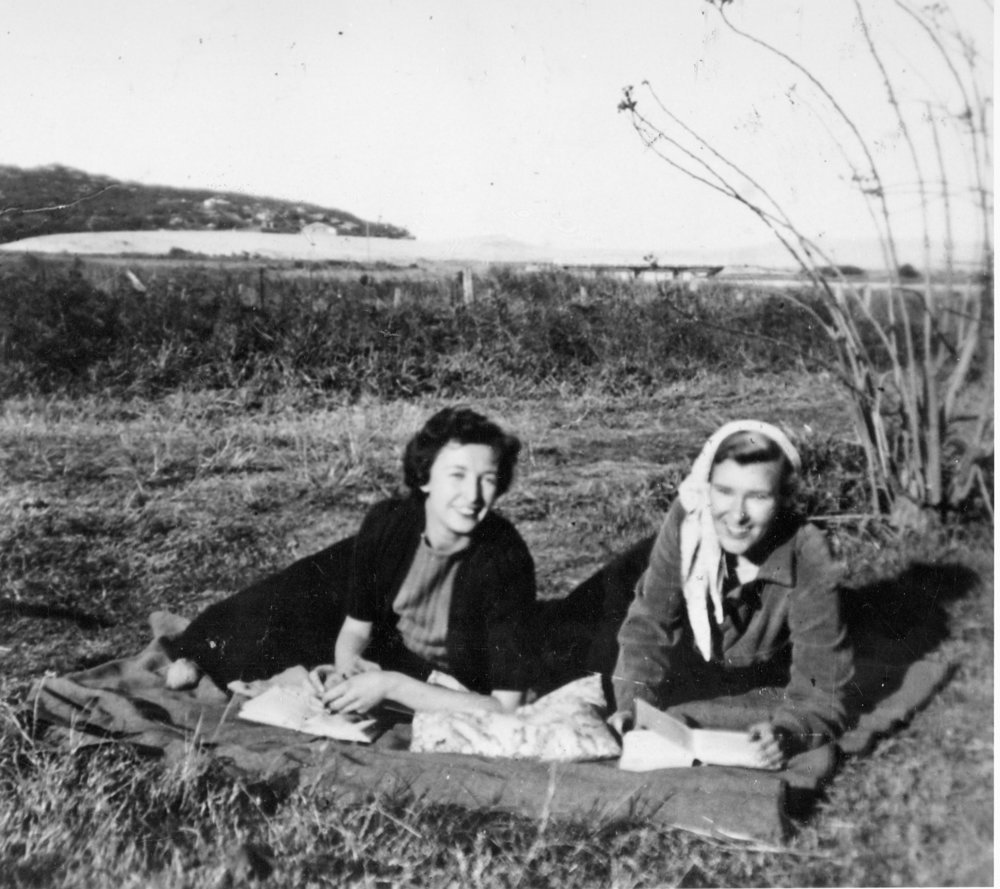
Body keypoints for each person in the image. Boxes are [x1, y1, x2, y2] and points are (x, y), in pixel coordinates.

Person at [165, 407, 536, 716]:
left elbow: (505, 706)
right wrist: (348, 665)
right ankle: (199, 646)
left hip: (428, 671)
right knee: (295, 594)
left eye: (486, 480)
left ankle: (208, 650)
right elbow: (357, 630)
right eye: (457, 475)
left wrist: (390, 685)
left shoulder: (504, 561)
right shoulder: (390, 524)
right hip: (390, 637)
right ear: (425, 479)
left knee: (307, 641)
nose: (471, 496)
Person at [608, 420, 854, 769]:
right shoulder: (686, 523)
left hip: (766, 684)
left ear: (783, 498)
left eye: (758, 496)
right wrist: (634, 707)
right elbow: (649, 627)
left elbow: (821, 685)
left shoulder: (807, 550)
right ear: (705, 489)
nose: (737, 515)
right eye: (724, 491)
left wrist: (790, 731)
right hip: (689, 669)